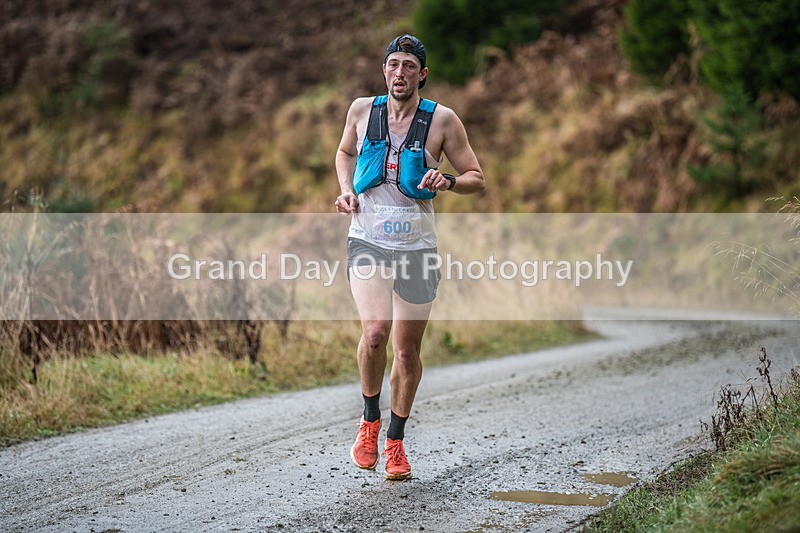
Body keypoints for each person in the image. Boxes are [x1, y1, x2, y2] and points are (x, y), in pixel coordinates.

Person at [334, 34, 485, 480]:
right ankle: (368, 423)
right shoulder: (362, 110)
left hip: (417, 248)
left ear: (423, 74)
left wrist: (450, 182)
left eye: (409, 66)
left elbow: (477, 177)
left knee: (406, 350)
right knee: (376, 331)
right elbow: (344, 152)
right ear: (385, 70)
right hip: (367, 240)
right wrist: (346, 190)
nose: (400, 73)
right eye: (393, 64)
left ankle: (396, 442)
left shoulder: (443, 120)